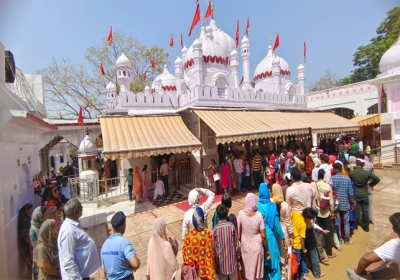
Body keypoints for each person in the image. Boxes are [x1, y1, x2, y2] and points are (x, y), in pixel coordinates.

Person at [346, 212, 400, 280]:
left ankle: (362, 275)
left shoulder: (395, 245)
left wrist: (359, 271)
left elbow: (366, 258)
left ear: (394, 228)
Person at [58, 199, 100, 279]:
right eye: (81, 206)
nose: (82, 207)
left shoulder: (74, 224)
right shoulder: (68, 231)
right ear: (75, 212)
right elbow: (68, 261)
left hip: (83, 275)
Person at [237, 193, 269, 280]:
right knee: (256, 274)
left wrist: (242, 240)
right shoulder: (259, 215)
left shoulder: (241, 214)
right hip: (257, 248)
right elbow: (263, 235)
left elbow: (238, 231)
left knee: (246, 273)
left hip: (245, 248)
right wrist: (267, 250)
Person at [101, 211, 140, 280]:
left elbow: (105, 270)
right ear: (123, 225)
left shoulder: (104, 245)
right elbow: (136, 264)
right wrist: (132, 266)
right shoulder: (123, 242)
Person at [258, 183, 285, 280]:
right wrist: (283, 237)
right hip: (272, 239)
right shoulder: (273, 207)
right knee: (274, 265)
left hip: (261, 239)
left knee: (264, 265)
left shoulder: (257, 206)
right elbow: (277, 226)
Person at [182, 207, 217, 279]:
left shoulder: (188, 233)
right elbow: (211, 253)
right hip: (205, 270)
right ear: (202, 219)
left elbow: (185, 252)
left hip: (193, 270)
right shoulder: (208, 233)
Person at [349, 160, 380, 232]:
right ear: (363, 165)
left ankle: (356, 225)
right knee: (365, 210)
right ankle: (366, 226)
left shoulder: (351, 173)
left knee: (356, 210)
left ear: (356, 165)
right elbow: (377, 179)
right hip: (364, 193)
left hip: (356, 194)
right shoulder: (366, 173)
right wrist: (370, 185)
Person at [270, 183, 293, 278]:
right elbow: (288, 222)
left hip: (275, 232)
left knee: (276, 254)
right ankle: (284, 275)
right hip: (284, 232)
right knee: (284, 256)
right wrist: (291, 235)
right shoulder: (285, 205)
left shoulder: (271, 203)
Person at [213, 204, 240, 280]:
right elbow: (237, 246)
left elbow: (215, 250)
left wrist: (216, 266)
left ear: (217, 216)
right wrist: (238, 260)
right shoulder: (231, 227)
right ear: (227, 213)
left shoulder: (215, 230)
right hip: (232, 264)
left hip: (221, 266)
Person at [313, 169, 335, 258]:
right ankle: (329, 252)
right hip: (325, 212)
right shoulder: (327, 186)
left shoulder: (314, 186)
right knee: (328, 232)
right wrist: (332, 211)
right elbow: (331, 202)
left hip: (317, 212)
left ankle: (320, 252)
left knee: (318, 232)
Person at [332, 163, 354, 244]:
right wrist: (351, 203)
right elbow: (351, 194)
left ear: (336, 169)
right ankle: (347, 240)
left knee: (337, 222)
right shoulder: (347, 179)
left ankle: (339, 239)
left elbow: (331, 192)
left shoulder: (333, 178)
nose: (333, 170)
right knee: (346, 222)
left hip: (336, 204)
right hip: (345, 203)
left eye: (334, 169)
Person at [302, 208, 325, 279]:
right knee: (313, 251)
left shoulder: (299, 216)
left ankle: (305, 272)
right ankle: (317, 272)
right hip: (309, 229)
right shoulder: (308, 218)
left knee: (303, 252)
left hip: (302, 231)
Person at [30, 206, 48, 280]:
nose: (47, 217)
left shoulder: (43, 226)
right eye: (45, 215)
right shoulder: (33, 231)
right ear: (39, 216)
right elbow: (36, 247)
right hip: (39, 259)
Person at [291, 209, 307, 280]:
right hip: (297, 245)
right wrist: (303, 248)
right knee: (297, 264)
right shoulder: (303, 224)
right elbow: (302, 238)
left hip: (291, 242)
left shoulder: (296, 214)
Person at [18, 203, 34, 270]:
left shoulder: (27, 217)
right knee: (24, 259)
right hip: (24, 243)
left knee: (27, 258)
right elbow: (24, 233)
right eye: (30, 209)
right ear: (26, 210)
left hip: (27, 242)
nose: (32, 210)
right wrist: (30, 243)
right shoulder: (23, 219)